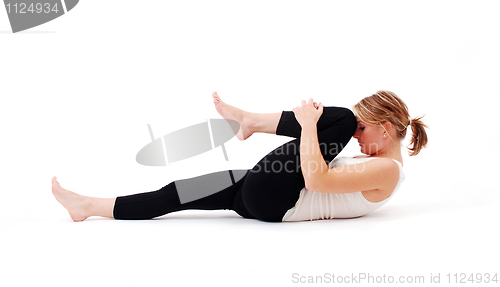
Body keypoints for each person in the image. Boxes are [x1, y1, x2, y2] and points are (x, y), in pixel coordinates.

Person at [52, 90, 428, 222]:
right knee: (176, 192)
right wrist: (309, 127)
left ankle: (249, 120)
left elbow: (316, 180)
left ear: (387, 126)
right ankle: (87, 205)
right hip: (257, 195)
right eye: (358, 129)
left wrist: (311, 125)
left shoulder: (389, 171)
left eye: (363, 128)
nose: (355, 136)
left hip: (279, 200)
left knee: (339, 117)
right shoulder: (376, 165)